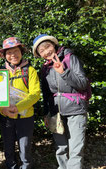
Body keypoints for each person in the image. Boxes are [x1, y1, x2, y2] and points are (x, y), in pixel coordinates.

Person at [33, 34, 89, 169]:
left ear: (54, 45)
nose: (46, 52)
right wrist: (46, 113)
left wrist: (64, 72)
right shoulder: (45, 68)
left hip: (75, 108)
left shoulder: (70, 59)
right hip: (55, 111)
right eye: (42, 51)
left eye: (47, 47)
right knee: (61, 147)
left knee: (75, 148)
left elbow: (82, 84)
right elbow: (46, 94)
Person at [0, 37, 41, 169]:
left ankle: (26, 166)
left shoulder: (30, 71)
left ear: (21, 52)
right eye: (9, 53)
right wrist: (2, 109)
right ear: (5, 56)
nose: (13, 55)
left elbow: (35, 94)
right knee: (8, 145)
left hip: (25, 116)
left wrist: (18, 107)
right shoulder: (0, 73)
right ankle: (11, 166)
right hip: (6, 116)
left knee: (25, 146)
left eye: (16, 51)